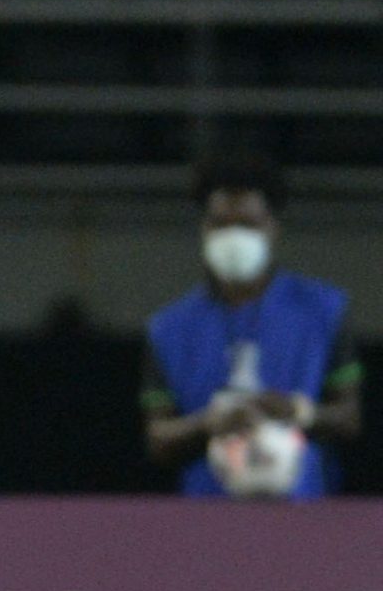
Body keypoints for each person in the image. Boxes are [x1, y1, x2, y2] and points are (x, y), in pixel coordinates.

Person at [143, 150, 362, 498]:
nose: (233, 236)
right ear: (204, 229)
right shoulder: (168, 328)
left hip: (302, 514)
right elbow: (157, 438)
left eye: (247, 224)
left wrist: (297, 411)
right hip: (203, 519)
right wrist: (206, 424)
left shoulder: (324, 309)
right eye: (220, 224)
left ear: (273, 227)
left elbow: (349, 418)